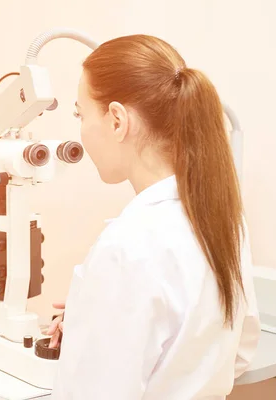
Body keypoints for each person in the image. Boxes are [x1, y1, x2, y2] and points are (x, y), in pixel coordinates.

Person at [48, 35, 261, 399]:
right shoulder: (221, 218)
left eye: (80, 114)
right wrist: (92, 317)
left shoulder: (128, 246)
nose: (81, 131)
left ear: (117, 120)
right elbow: (238, 353)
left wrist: (96, 323)